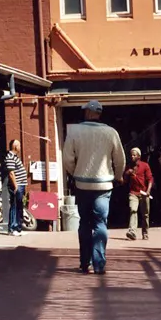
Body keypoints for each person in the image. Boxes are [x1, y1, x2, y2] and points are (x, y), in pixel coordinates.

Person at [62, 100, 125, 274]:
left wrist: (76, 172)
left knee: (84, 223)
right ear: (99, 113)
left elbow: (67, 158)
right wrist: (118, 176)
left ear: (88, 113)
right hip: (104, 185)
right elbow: (120, 159)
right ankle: (99, 263)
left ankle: (85, 262)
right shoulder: (111, 132)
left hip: (82, 184)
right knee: (100, 223)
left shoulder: (75, 131)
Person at [124, 147, 154, 241]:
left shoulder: (145, 165)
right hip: (133, 192)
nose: (132, 156)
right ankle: (132, 231)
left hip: (144, 193)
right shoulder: (129, 166)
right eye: (131, 155)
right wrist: (126, 174)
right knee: (133, 210)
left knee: (145, 214)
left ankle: (145, 232)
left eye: (134, 155)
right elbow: (124, 181)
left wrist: (148, 191)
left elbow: (150, 179)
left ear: (139, 156)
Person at [3, 139, 28, 236]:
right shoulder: (10, 157)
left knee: (19, 206)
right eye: (19, 145)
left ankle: (18, 227)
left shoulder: (14, 157)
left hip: (20, 184)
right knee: (14, 205)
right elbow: (11, 173)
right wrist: (16, 186)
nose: (20, 147)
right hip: (16, 185)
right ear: (15, 146)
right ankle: (12, 228)